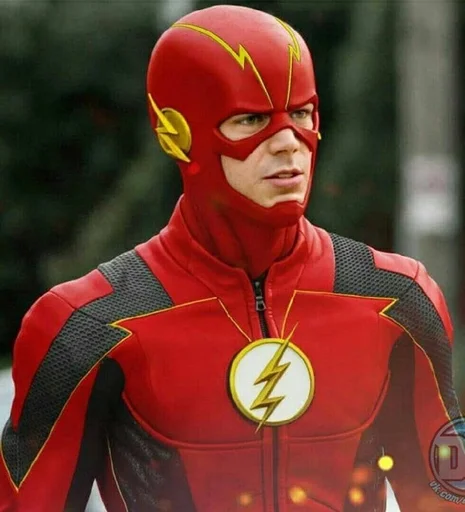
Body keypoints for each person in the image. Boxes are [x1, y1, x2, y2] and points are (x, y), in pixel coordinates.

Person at [0, 4, 462, 512]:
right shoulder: (86, 325)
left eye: (302, 114)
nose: (288, 144)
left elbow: (446, 499)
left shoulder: (398, 300)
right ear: (176, 134)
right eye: (251, 119)